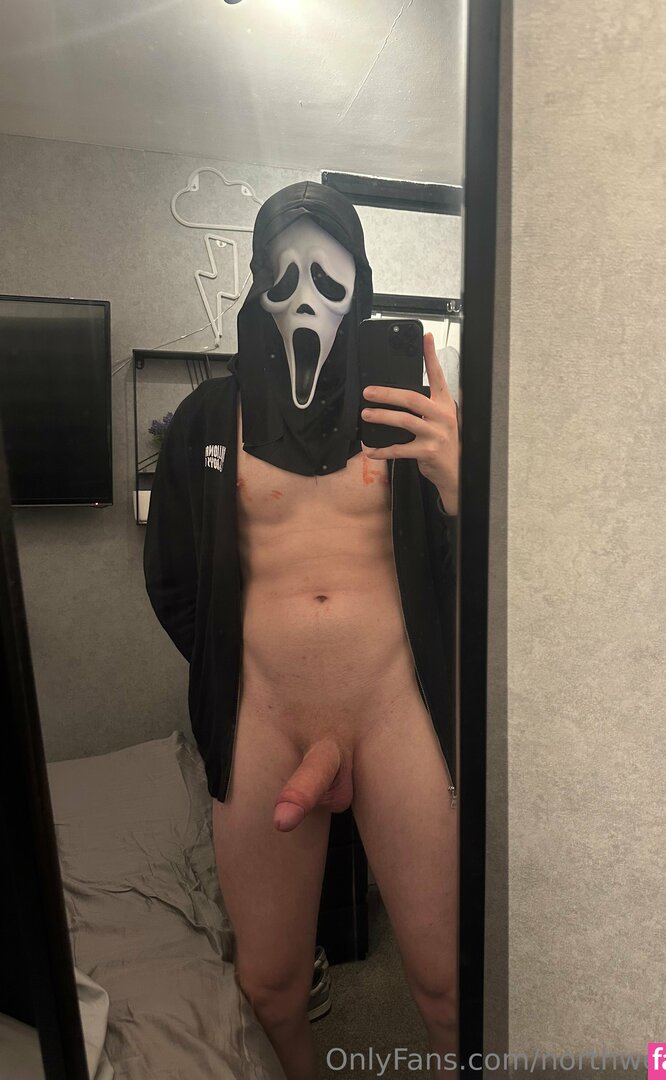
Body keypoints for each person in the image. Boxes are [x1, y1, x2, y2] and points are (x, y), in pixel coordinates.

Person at [144, 181, 459, 1080]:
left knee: (447, 982)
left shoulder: (408, 412)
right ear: (255, 283)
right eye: (282, 275)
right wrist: (239, 672)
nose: (306, 296)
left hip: (395, 708)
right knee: (272, 985)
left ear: (362, 280)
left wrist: (460, 484)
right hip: (264, 713)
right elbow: (172, 578)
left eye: (328, 273)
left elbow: (476, 579)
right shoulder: (209, 419)